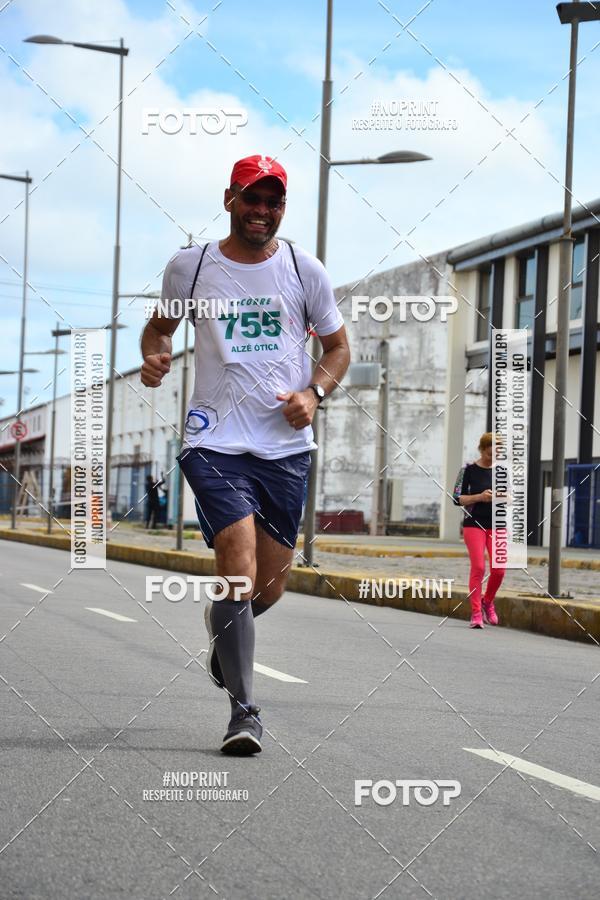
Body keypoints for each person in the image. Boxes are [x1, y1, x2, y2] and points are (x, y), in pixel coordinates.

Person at [140, 155, 350, 755]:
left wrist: (314, 393)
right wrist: (154, 356)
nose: (261, 211)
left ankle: (224, 629)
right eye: (251, 199)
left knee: (269, 587)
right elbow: (159, 328)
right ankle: (244, 712)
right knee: (237, 559)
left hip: (283, 447)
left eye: (272, 202)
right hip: (214, 439)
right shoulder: (191, 266)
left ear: (282, 208)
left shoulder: (304, 270)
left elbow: (338, 349)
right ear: (229, 198)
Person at [452, 432, 506, 628]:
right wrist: (480, 497)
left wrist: (500, 496)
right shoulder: (467, 470)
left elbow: (512, 497)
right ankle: (476, 613)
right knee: (479, 567)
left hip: (498, 525)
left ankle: (487, 601)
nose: (493, 458)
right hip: (474, 524)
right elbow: (456, 498)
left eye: (497, 454)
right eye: (490, 454)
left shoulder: (503, 471)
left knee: (499, 570)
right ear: (482, 450)